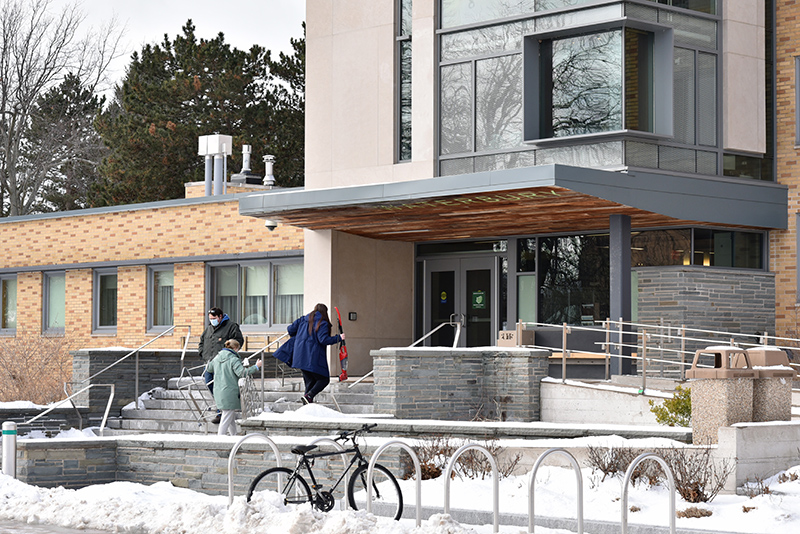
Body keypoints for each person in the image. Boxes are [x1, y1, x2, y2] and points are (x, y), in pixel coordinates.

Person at [287, 303, 344, 404]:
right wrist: (339, 338)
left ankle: (307, 403)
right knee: (324, 379)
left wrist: (301, 336)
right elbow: (323, 340)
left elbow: (290, 330)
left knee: (310, 382)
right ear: (325, 312)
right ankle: (310, 396)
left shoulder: (303, 319)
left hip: (299, 356)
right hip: (313, 357)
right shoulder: (322, 322)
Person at [205, 339, 262, 436]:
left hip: (218, 390)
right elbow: (242, 373)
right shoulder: (233, 359)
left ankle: (234, 436)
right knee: (227, 416)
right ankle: (219, 439)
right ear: (235, 348)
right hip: (230, 392)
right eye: (238, 349)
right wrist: (256, 366)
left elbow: (209, 368)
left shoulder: (217, 357)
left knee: (229, 415)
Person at [198, 307, 244, 424]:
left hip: (224, 364)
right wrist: (202, 353)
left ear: (220, 317)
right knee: (210, 384)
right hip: (209, 362)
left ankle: (221, 411)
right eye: (210, 318)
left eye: (214, 318)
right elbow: (202, 341)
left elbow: (238, 341)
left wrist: (230, 354)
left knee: (222, 387)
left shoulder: (231, 326)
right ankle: (221, 408)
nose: (212, 320)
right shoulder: (208, 329)